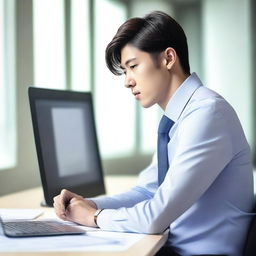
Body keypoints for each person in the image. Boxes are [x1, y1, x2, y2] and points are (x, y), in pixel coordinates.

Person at [53, 11, 254, 256]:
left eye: (133, 67)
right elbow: (147, 191)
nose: (127, 81)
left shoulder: (208, 114)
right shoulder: (179, 118)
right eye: (125, 71)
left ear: (168, 58)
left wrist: (94, 216)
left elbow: (155, 216)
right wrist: (88, 204)